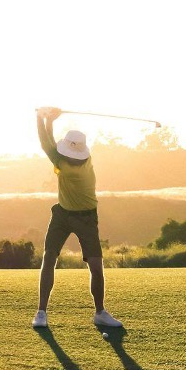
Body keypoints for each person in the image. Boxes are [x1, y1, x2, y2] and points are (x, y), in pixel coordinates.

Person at [32, 107, 123, 329]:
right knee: (51, 258)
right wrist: (49, 120)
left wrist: (43, 118)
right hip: (64, 214)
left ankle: (99, 313)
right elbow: (50, 144)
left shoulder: (62, 163)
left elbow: (46, 143)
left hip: (85, 218)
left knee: (92, 265)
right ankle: (42, 311)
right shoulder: (85, 158)